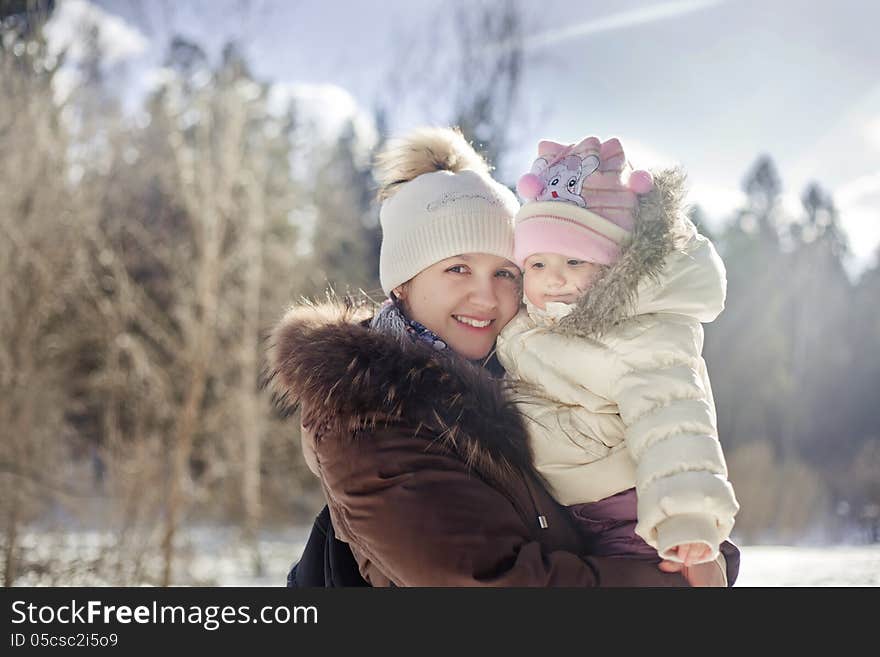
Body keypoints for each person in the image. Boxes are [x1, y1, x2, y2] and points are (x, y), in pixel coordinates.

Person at [266, 127, 738, 586]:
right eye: (458, 269)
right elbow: (489, 581)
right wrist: (672, 584)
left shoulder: (520, 369)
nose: (487, 298)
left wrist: (695, 539)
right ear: (402, 284)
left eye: (506, 273)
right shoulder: (367, 415)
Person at [496, 136, 739, 572]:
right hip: (560, 506)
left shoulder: (642, 333)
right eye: (537, 264)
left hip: (627, 508)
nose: (553, 278)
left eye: (574, 263)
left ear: (613, 269)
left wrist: (685, 519)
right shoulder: (526, 322)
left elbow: (674, 420)